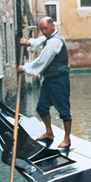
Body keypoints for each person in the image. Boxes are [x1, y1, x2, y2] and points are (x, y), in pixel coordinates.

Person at [18, 17, 71, 149]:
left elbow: (42, 61)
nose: (43, 32)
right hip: (49, 79)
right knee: (41, 107)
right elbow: (42, 41)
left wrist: (25, 68)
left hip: (59, 79)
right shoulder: (50, 38)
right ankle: (49, 132)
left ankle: (67, 138)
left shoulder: (55, 41)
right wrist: (29, 43)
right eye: (41, 29)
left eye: (45, 29)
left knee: (64, 110)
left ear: (53, 26)